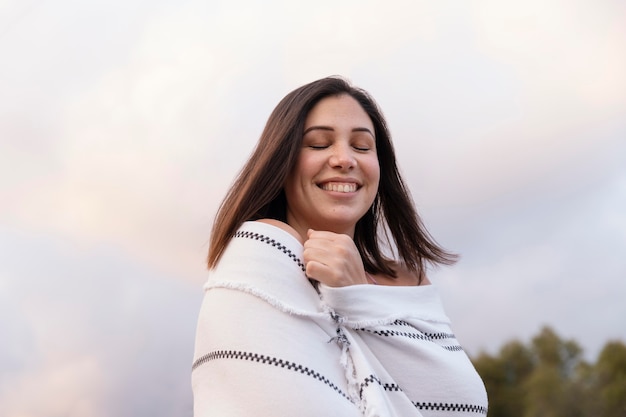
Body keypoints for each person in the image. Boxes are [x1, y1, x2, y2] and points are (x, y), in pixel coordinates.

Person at [192, 76, 488, 416]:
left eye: (362, 147)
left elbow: (463, 405)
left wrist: (359, 292)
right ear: (280, 162)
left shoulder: (410, 280)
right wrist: (356, 300)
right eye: (318, 144)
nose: (344, 159)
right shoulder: (257, 256)